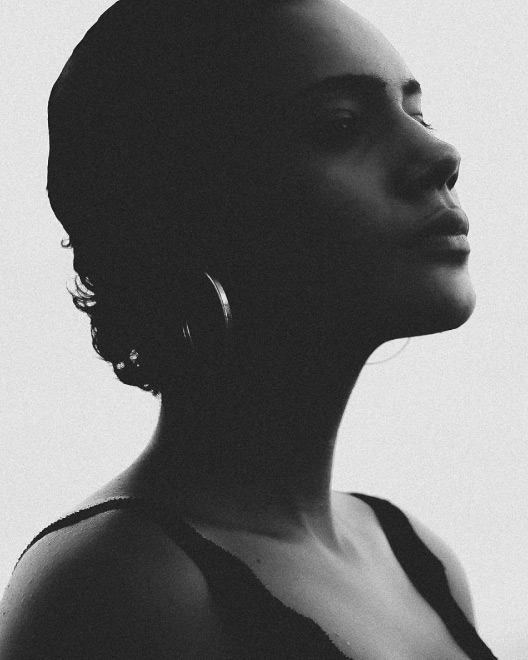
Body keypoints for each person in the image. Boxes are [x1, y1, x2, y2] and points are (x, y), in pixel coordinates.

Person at [0, 0, 498, 658]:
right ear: (186, 207)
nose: (440, 153)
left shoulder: (419, 559)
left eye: (417, 114)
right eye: (341, 125)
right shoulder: (116, 592)